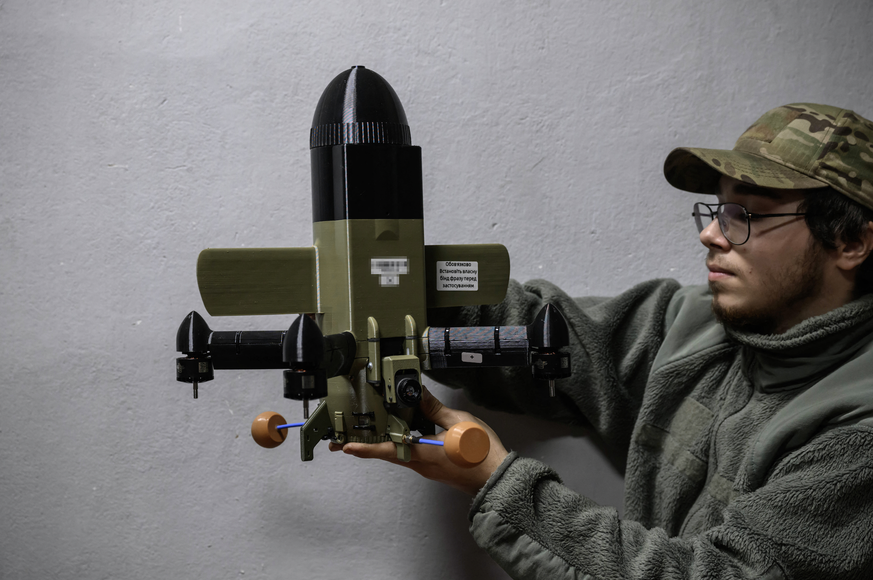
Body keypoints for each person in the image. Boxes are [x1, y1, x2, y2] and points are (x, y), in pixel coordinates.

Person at [331, 103, 873, 579]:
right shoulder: (697, 327)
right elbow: (551, 339)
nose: (711, 234)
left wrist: (497, 483)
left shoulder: (858, 435)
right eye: (716, 210)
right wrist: (393, 288)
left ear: (850, 241)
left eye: (745, 215)